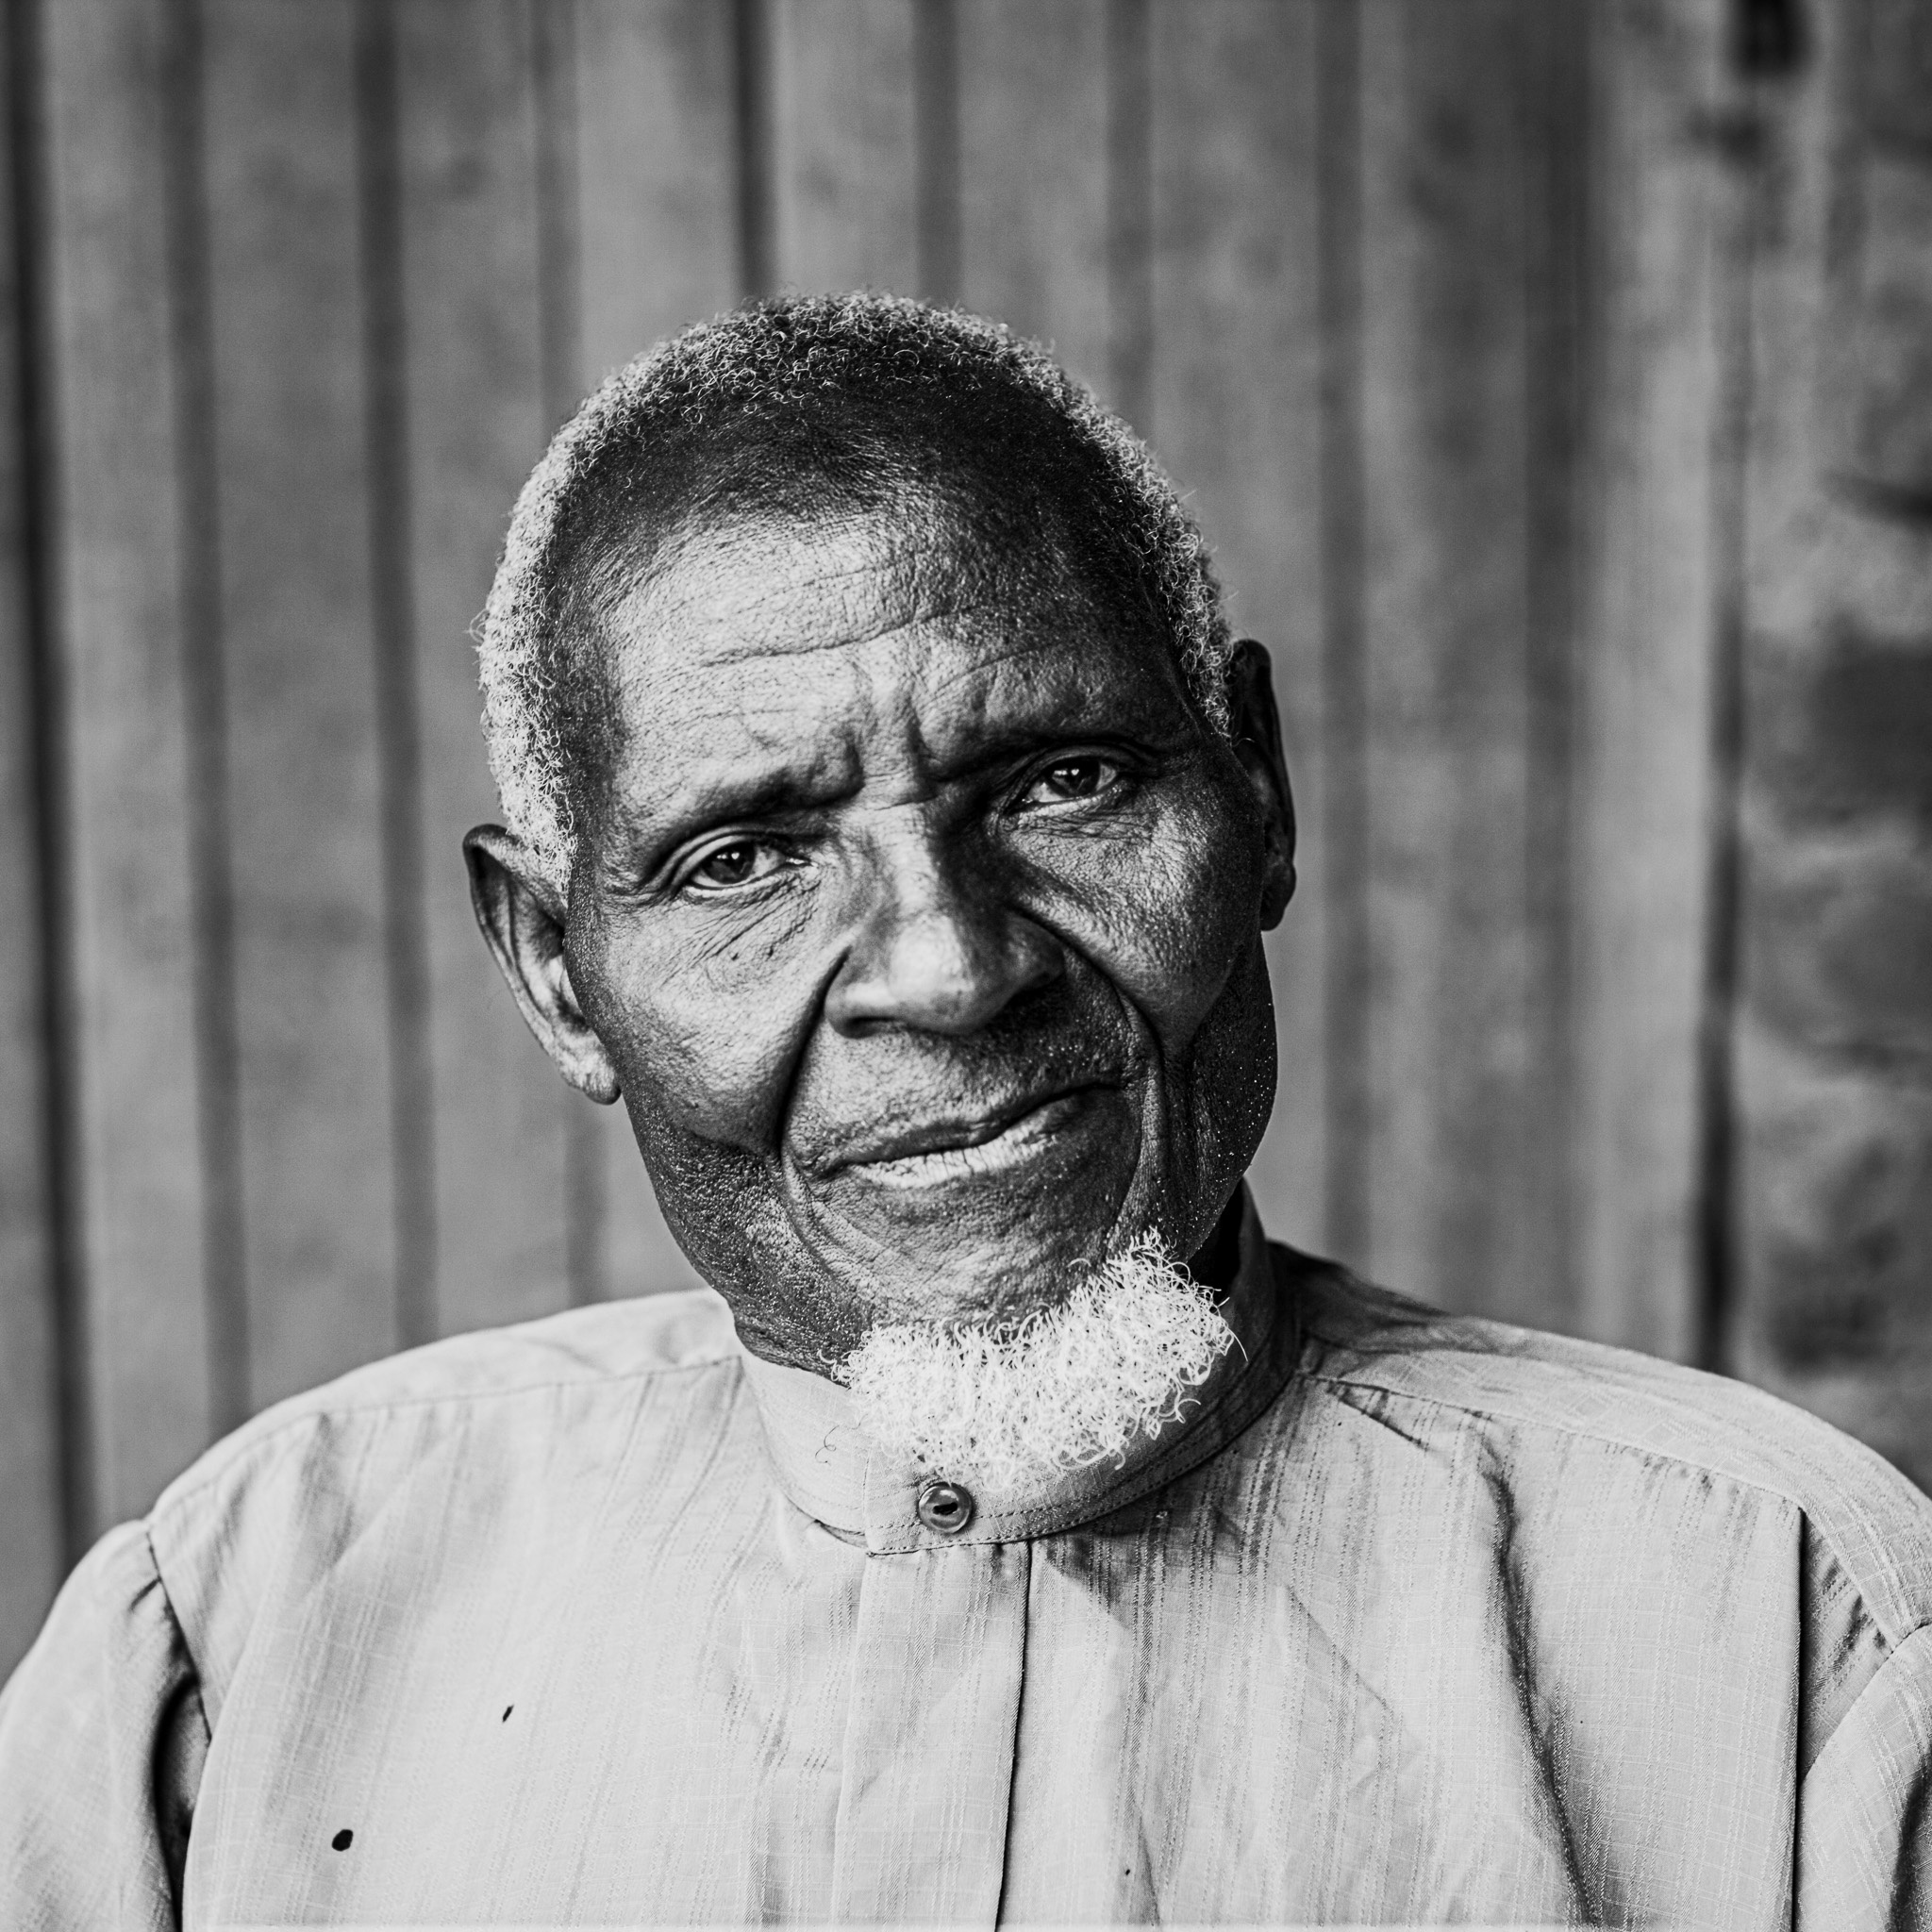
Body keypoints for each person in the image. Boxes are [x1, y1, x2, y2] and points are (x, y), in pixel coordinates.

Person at [3, 291, 1928, 1931]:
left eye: (1063, 780)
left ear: (1255, 796)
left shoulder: (1791, 1634)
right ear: (555, 968)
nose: (945, 967)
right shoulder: (239, 1640)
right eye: (745, 859)